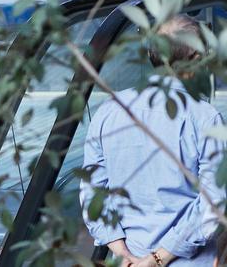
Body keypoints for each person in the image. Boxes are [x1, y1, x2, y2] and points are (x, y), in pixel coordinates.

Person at [81, 14, 225, 267]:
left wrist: (120, 250)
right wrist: (157, 259)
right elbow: (213, 204)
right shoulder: (205, 119)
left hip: (126, 261)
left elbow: (93, 189)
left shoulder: (111, 109)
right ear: (195, 58)